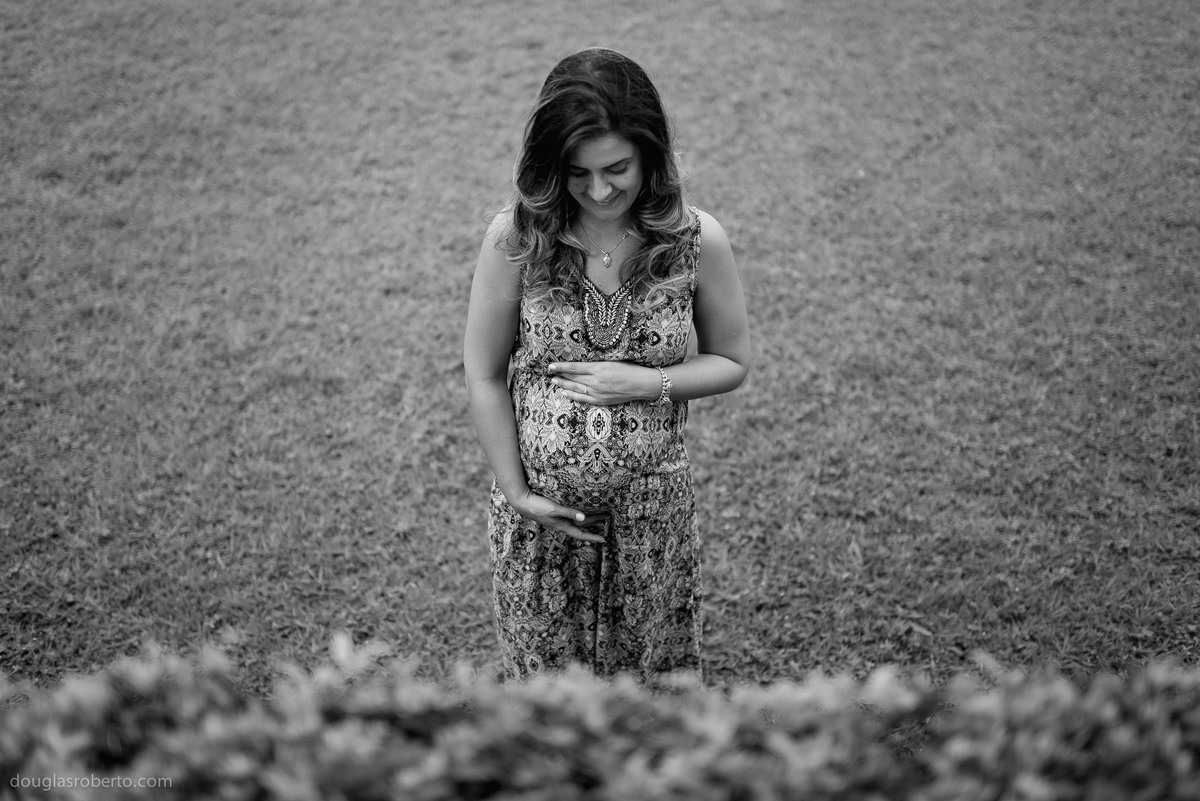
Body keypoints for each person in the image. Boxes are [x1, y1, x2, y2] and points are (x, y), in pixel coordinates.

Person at [463, 47, 750, 681]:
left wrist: (653, 383)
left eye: (617, 168)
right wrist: (517, 494)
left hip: (653, 522)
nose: (599, 191)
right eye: (576, 172)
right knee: (546, 704)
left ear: (651, 153)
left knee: (649, 697)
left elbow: (731, 360)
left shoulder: (695, 240)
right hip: (542, 528)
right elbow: (482, 373)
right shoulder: (516, 239)